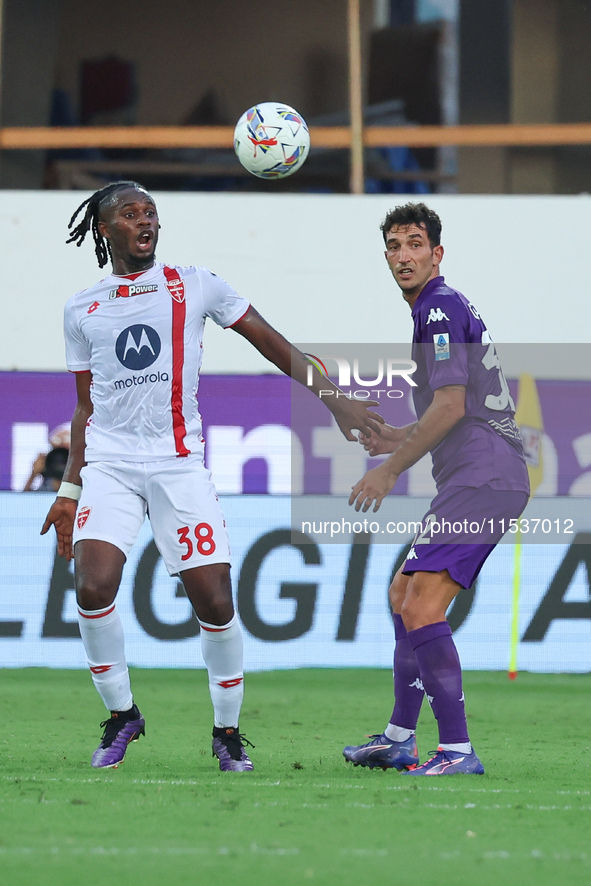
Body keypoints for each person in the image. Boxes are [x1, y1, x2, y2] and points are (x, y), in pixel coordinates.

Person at [41, 180, 383, 772]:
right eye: (130, 214)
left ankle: (227, 733)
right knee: (93, 590)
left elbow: (272, 344)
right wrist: (70, 490)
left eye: (151, 213)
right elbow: (85, 407)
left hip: (179, 466)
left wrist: (335, 400)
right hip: (110, 468)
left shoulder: (195, 284)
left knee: (216, 602)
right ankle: (123, 717)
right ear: (104, 229)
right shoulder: (82, 307)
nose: (145, 221)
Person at [343, 202, 530, 776]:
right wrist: (396, 437)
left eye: (416, 244)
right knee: (404, 594)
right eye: (395, 246)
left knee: (421, 604)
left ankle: (456, 749)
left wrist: (391, 468)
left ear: (437, 254)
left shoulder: (439, 310)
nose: (404, 255)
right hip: (480, 471)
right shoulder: (437, 308)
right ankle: (400, 739)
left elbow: (450, 406)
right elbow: (461, 408)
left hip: (485, 475)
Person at [23, 422, 71, 491]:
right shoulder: (47, 483)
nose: (62, 462)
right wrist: (33, 475)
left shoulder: (86, 480)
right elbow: (25, 499)